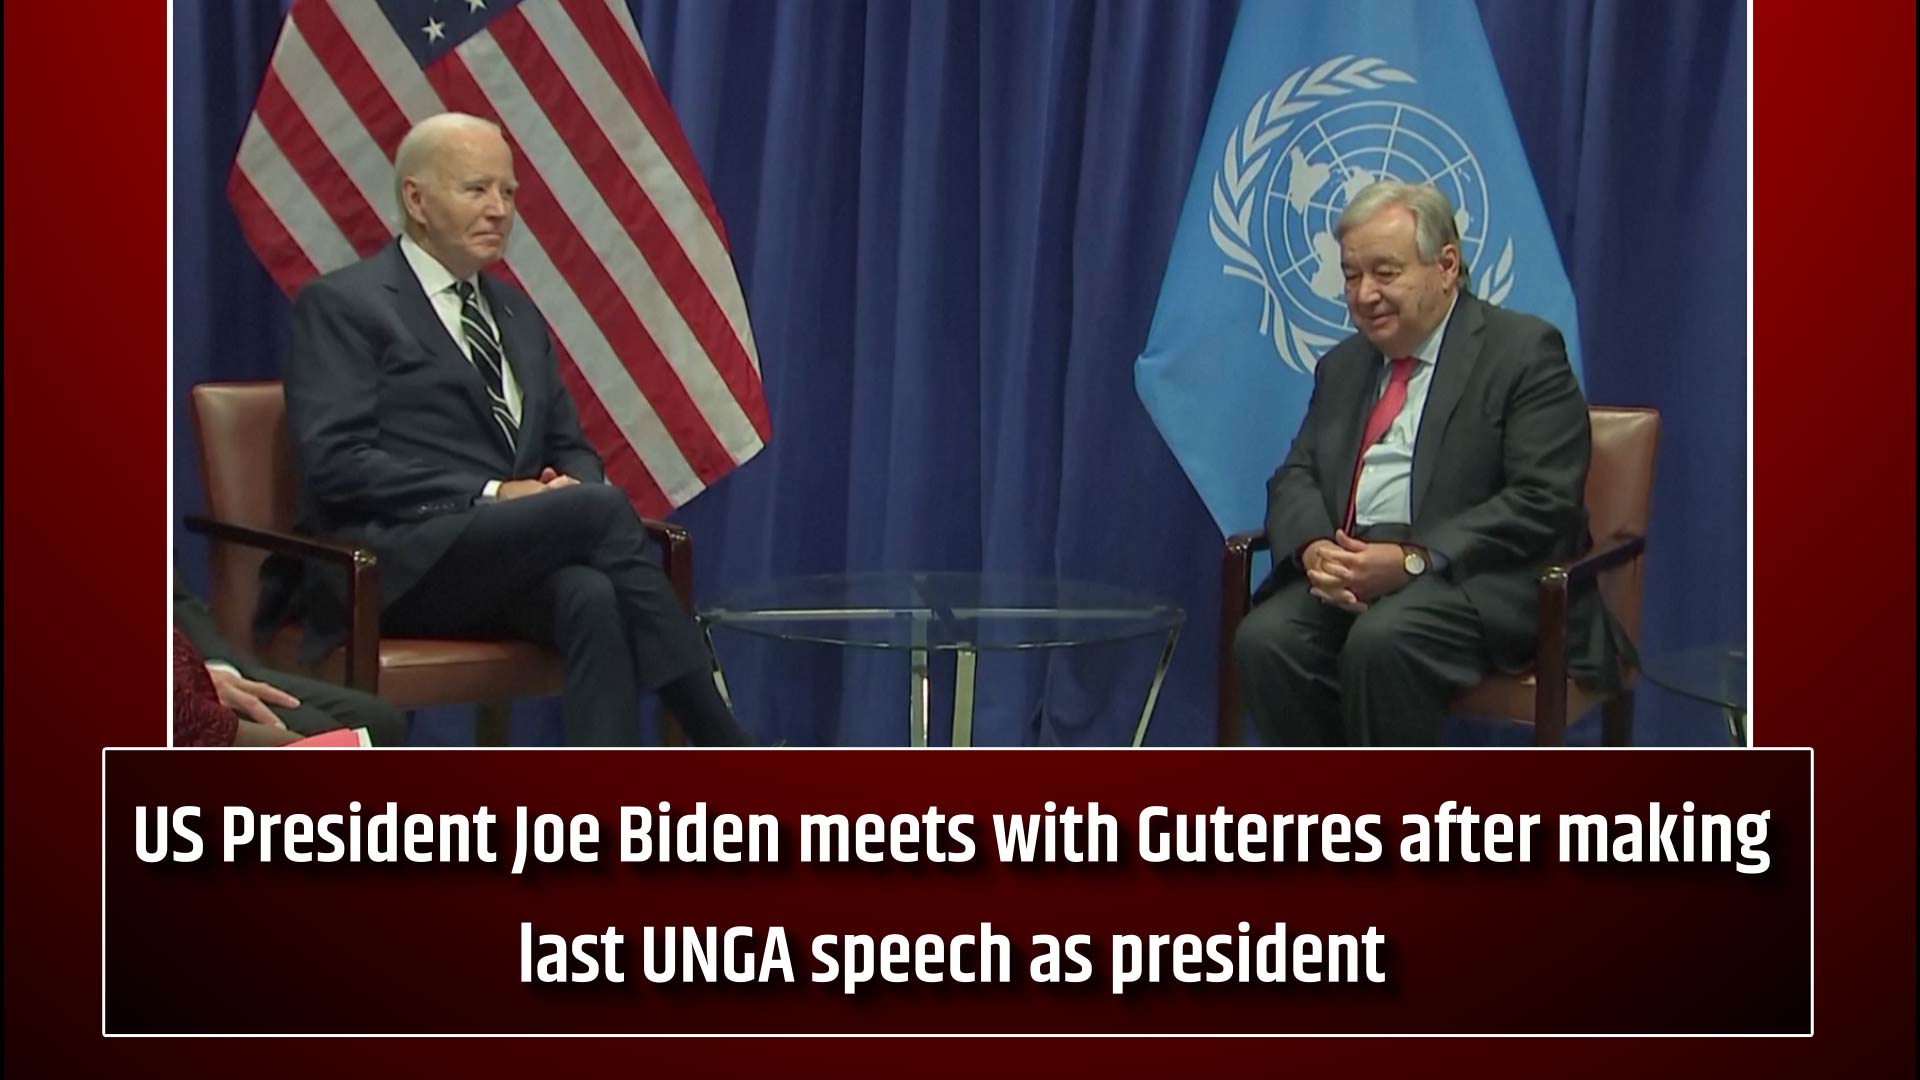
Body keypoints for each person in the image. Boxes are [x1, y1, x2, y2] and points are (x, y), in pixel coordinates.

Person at [255, 112, 748, 748]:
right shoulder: (345, 305)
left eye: (509, 193)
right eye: (477, 189)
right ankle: (723, 738)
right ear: (417, 198)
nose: (499, 209)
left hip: (495, 564)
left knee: (591, 594)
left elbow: (571, 445)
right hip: (388, 565)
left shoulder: (516, 315)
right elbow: (336, 462)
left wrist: (570, 483)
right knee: (596, 513)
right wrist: (491, 493)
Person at [1232, 181, 1621, 746]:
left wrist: (1415, 560)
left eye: (1385, 273)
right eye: (1351, 275)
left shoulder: (1523, 351)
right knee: (1264, 641)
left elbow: (1544, 501)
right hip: (1359, 569)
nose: (1364, 295)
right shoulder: (1344, 366)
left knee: (1383, 641)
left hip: (1476, 574)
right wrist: (1315, 547)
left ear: (1445, 266)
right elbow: (1297, 474)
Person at [176, 574, 408, 746]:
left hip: (188, 661)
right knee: (326, 737)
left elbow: (175, 597)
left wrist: (211, 666)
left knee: (380, 721)